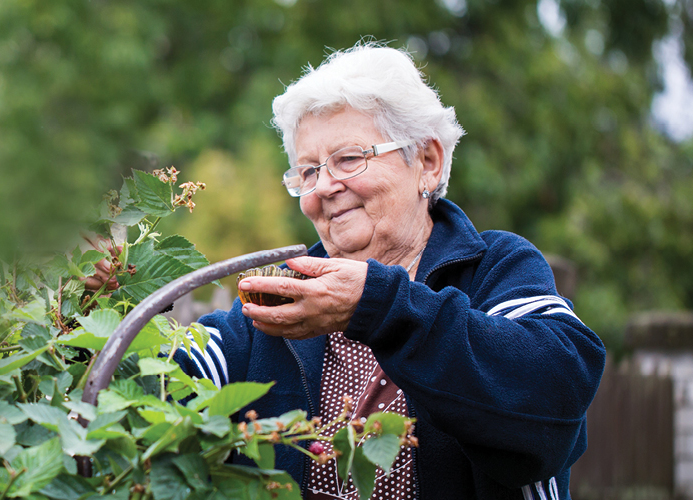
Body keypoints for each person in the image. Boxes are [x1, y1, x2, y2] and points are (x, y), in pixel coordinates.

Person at [88, 44, 605, 500]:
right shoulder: (280, 302)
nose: (323, 187)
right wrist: (97, 307)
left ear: (427, 161)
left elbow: (554, 398)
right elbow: (149, 386)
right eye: (308, 170)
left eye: (349, 158)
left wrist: (377, 305)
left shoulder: (496, 268)